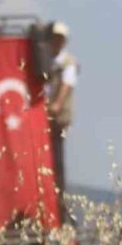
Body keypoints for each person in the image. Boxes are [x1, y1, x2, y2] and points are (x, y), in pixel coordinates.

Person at [46, 21, 78, 193]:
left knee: (57, 160)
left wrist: (57, 104)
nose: (56, 41)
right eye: (54, 38)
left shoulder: (68, 63)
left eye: (59, 38)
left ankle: (58, 199)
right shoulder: (45, 60)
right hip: (42, 118)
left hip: (58, 119)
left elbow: (67, 84)